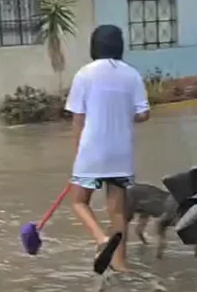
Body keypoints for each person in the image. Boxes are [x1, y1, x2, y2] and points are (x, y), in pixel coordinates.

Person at [65, 24, 151, 272]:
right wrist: (124, 115)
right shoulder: (131, 74)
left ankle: (101, 239)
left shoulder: (84, 74)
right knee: (117, 212)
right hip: (121, 153)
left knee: (79, 202)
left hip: (92, 149)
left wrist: (77, 153)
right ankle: (121, 264)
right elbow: (144, 114)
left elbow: (78, 119)